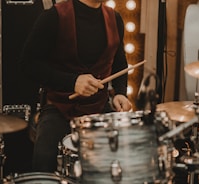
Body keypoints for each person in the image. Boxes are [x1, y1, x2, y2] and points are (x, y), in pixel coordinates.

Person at [19, 0, 132, 173]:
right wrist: (72, 82)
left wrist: (120, 93)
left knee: (127, 159)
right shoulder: (53, 17)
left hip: (99, 107)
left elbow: (120, 62)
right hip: (59, 107)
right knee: (44, 163)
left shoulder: (114, 19)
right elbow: (28, 65)